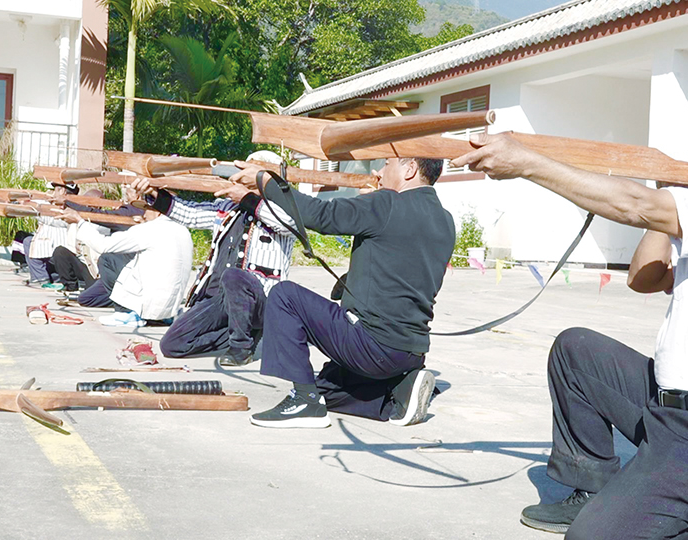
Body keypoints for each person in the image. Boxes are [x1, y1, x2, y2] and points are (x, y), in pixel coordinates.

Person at [451, 78, 688, 539]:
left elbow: (633, 205)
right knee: (578, 352)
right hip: (672, 411)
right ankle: (594, 489)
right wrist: (668, 196)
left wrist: (526, 162)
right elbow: (643, 278)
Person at [229, 156, 455, 429]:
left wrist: (265, 181)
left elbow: (320, 216)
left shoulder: (385, 204)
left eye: (386, 164)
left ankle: (303, 402)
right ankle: (397, 392)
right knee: (326, 388)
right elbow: (401, 266)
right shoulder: (445, 220)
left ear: (409, 170)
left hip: (373, 346)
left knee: (285, 296)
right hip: (410, 352)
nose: (378, 171)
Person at [130, 151, 296, 365]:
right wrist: (155, 194)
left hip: (260, 301)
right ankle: (246, 335)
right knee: (172, 345)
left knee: (235, 276)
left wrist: (247, 198)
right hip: (220, 299)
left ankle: (241, 348)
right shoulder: (229, 208)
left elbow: (288, 226)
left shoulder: (283, 209)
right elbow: (191, 214)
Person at [56, 205, 192, 327]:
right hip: (169, 308)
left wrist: (79, 222)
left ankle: (126, 312)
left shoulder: (149, 229)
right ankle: (160, 317)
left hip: (150, 302)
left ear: (157, 213)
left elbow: (103, 245)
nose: (144, 214)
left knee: (107, 258)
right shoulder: (183, 231)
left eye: (147, 210)